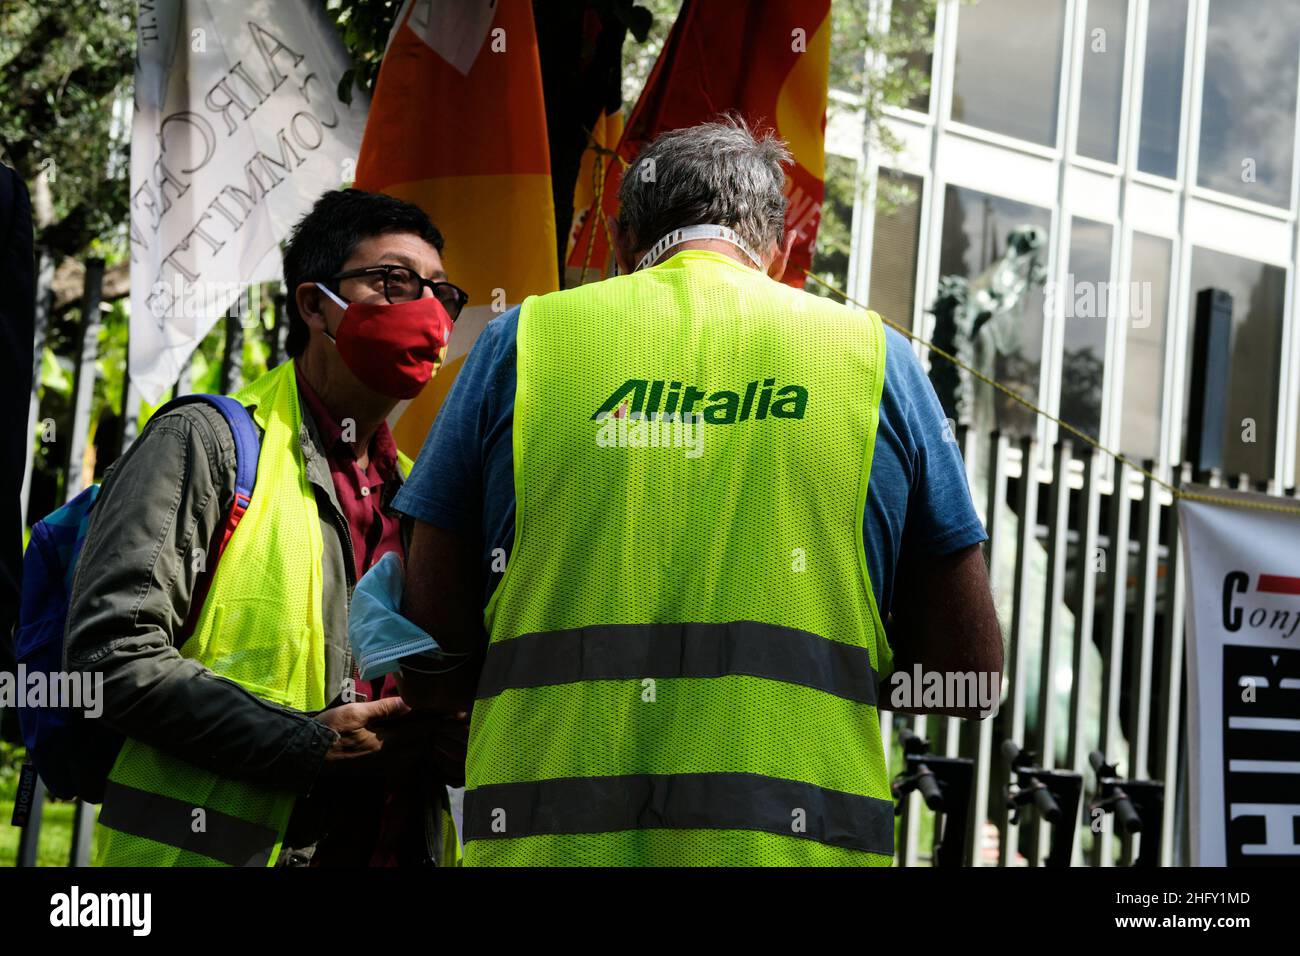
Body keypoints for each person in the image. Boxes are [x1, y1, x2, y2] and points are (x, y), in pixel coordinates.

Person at [391, 118, 1003, 866]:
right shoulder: (877, 362)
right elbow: (969, 679)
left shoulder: (522, 343)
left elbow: (427, 659)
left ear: (623, 247)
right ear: (776, 251)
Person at [67, 188, 470, 866]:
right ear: (314, 304)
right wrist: (302, 743)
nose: (426, 310)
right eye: (393, 281)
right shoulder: (206, 444)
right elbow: (109, 655)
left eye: (439, 293)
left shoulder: (413, 491)